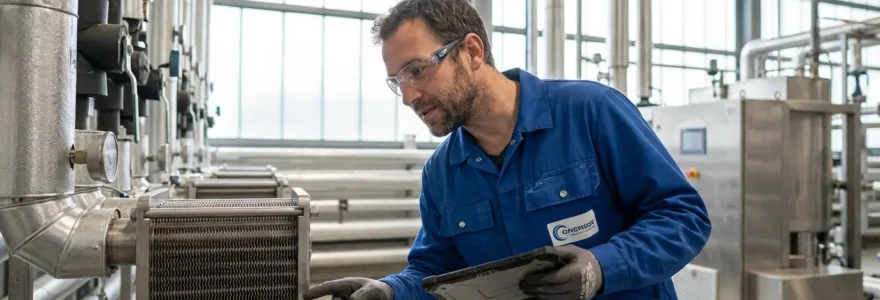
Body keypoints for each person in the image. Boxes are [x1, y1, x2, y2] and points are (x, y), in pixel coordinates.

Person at [303, 0, 711, 299]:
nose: (409, 95)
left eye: (417, 70)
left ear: (473, 52)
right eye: (397, 81)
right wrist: (390, 291)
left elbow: (683, 216)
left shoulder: (591, 112)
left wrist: (603, 266)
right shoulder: (443, 172)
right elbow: (435, 270)